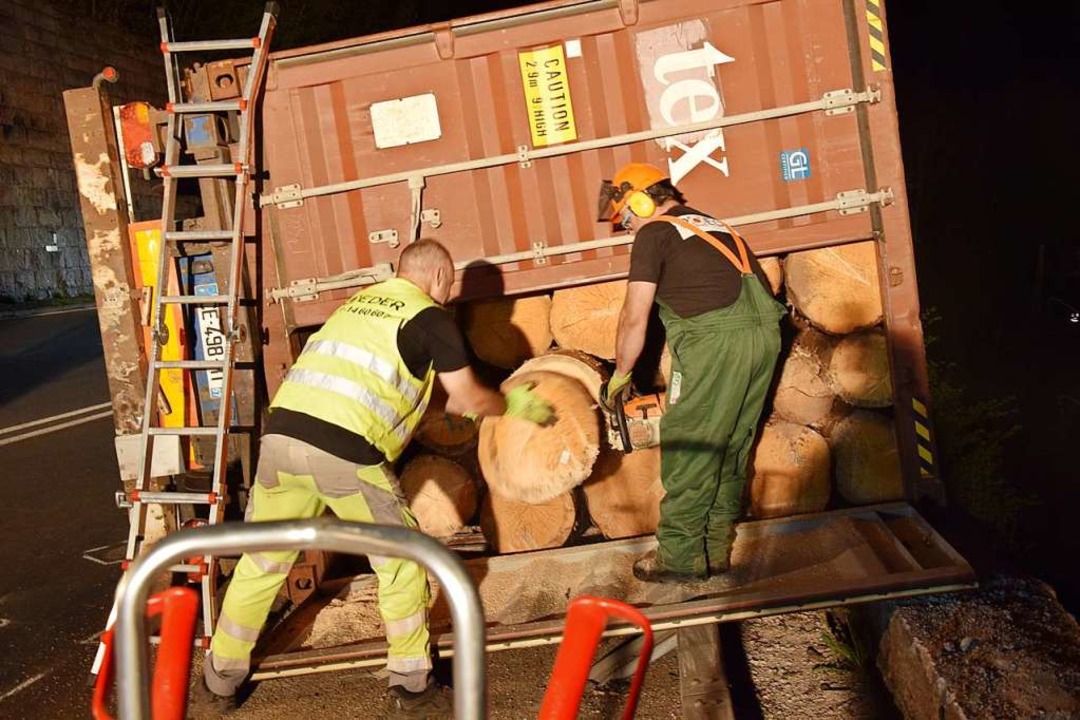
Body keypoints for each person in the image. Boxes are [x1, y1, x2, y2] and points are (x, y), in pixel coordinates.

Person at [191, 239, 553, 718]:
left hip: (280, 442)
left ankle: (217, 685)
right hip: (345, 457)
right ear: (441, 277)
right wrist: (511, 405)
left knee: (262, 561)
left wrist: (453, 411)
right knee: (403, 560)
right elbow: (467, 394)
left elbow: (384, 385)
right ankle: (413, 688)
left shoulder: (357, 307)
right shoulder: (430, 316)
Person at [598, 163, 786, 584]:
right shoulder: (718, 227)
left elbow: (634, 316)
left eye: (627, 217)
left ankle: (681, 558)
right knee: (732, 445)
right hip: (764, 338)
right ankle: (714, 549)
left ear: (643, 199)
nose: (629, 229)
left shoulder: (654, 232)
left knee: (693, 445)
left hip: (714, 342)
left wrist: (621, 375)